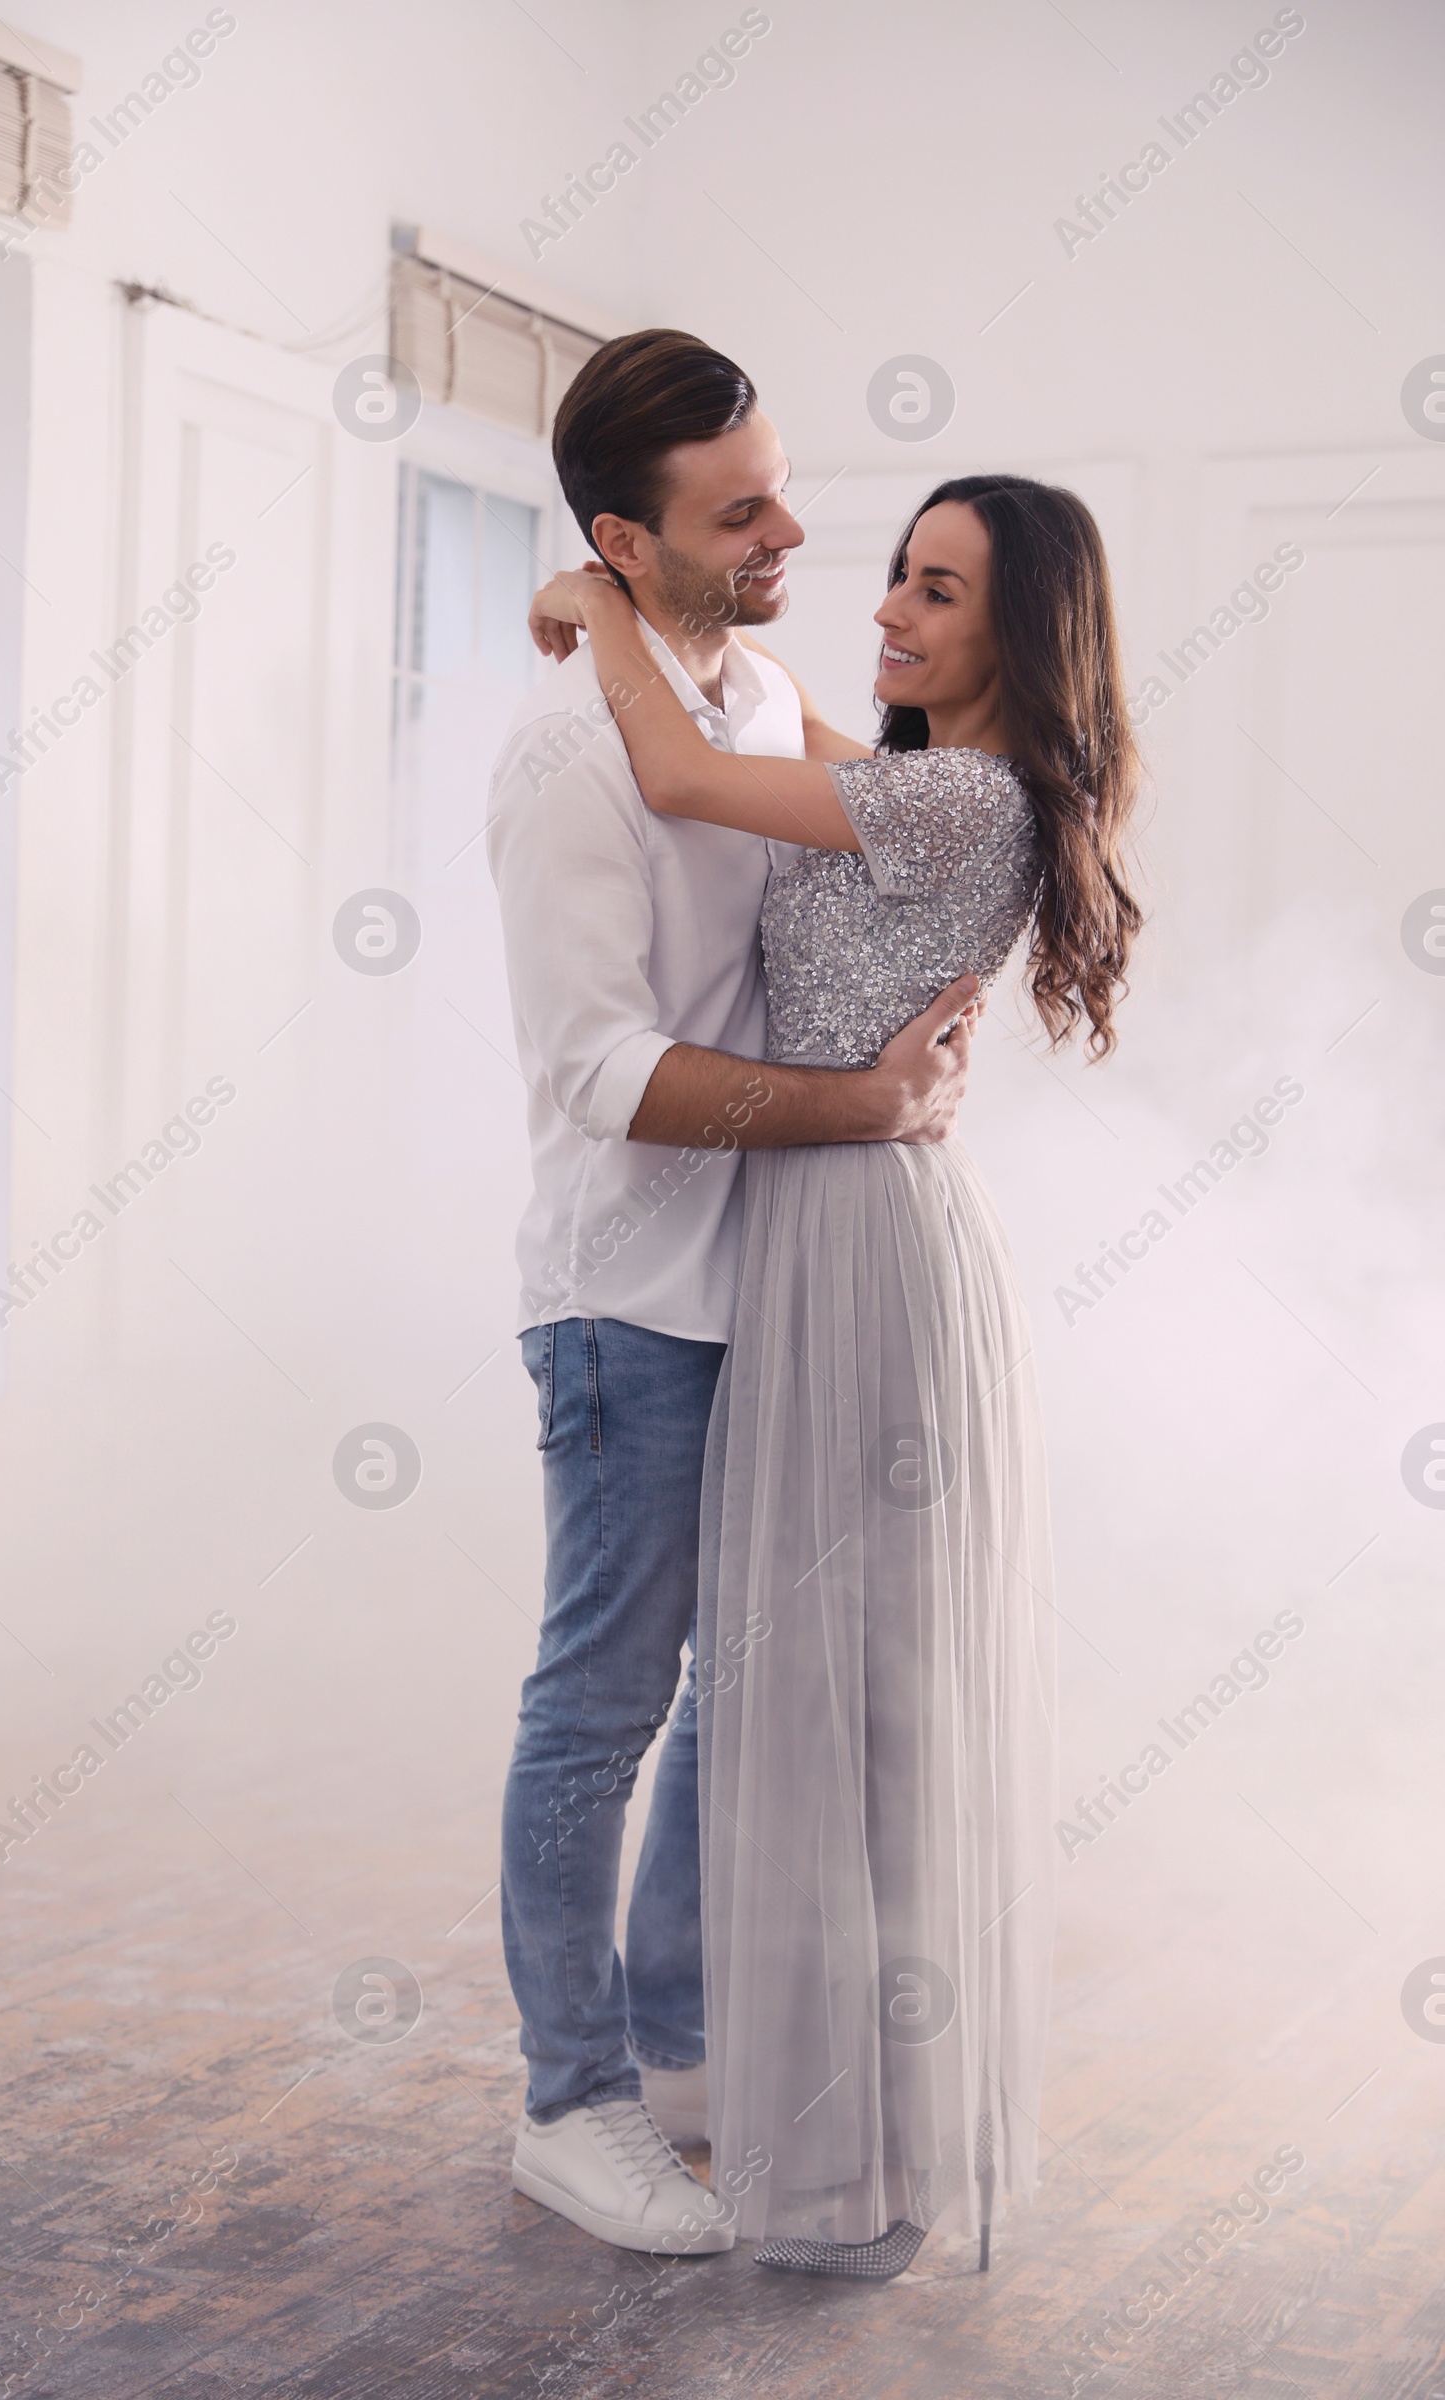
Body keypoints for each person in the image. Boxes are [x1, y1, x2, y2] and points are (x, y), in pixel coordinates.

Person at [526, 469, 1141, 2276]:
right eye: (894, 570)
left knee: (842, 1689)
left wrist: (595, 604)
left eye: (939, 591)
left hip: (860, 1235)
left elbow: (692, 775)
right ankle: (790, 2086)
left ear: (1018, 634)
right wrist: (652, 615)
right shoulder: (931, 777)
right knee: (821, 1681)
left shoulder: (954, 796)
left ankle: (814, 2118)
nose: (888, 607)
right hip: (842, 1221)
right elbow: (769, 725)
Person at [486, 330, 981, 2258]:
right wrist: (861, 1106)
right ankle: (574, 2101)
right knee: (602, 1703)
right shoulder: (567, 757)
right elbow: (595, 1069)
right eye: (741, 508)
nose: (793, 528)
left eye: (781, 486)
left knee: (725, 1698)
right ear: (628, 534)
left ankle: (682, 2047)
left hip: (766, 1279)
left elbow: (887, 817)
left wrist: (589, 600)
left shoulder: (754, 687)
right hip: (627, 1302)